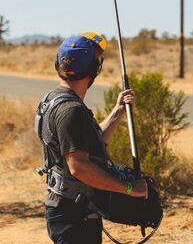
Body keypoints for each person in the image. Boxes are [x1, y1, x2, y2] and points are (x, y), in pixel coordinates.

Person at [37, 32, 148, 244]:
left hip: (72, 210)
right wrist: (130, 189)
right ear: (93, 71)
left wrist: (117, 111)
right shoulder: (71, 111)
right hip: (74, 217)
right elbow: (79, 167)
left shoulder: (54, 100)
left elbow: (91, 143)